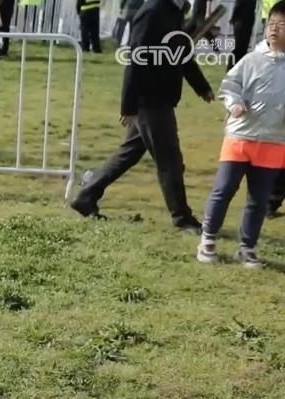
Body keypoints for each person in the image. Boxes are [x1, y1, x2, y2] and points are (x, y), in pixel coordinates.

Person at [69, 0, 215, 233]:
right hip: (150, 99)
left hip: (160, 98)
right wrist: (128, 106)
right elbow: (135, 58)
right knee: (170, 161)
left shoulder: (173, 11)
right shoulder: (152, 12)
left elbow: (181, 52)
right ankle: (182, 218)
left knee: (129, 154)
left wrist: (201, 86)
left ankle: (86, 196)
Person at [197, 3, 285, 268]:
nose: (274, 30)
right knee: (223, 190)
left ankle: (247, 247)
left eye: (281, 26)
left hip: (273, 142)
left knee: (259, 199)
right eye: (271, 24)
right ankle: (207, 240)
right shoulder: (251, 60)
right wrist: (234, 103)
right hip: (240, 137)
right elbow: (230, 85)